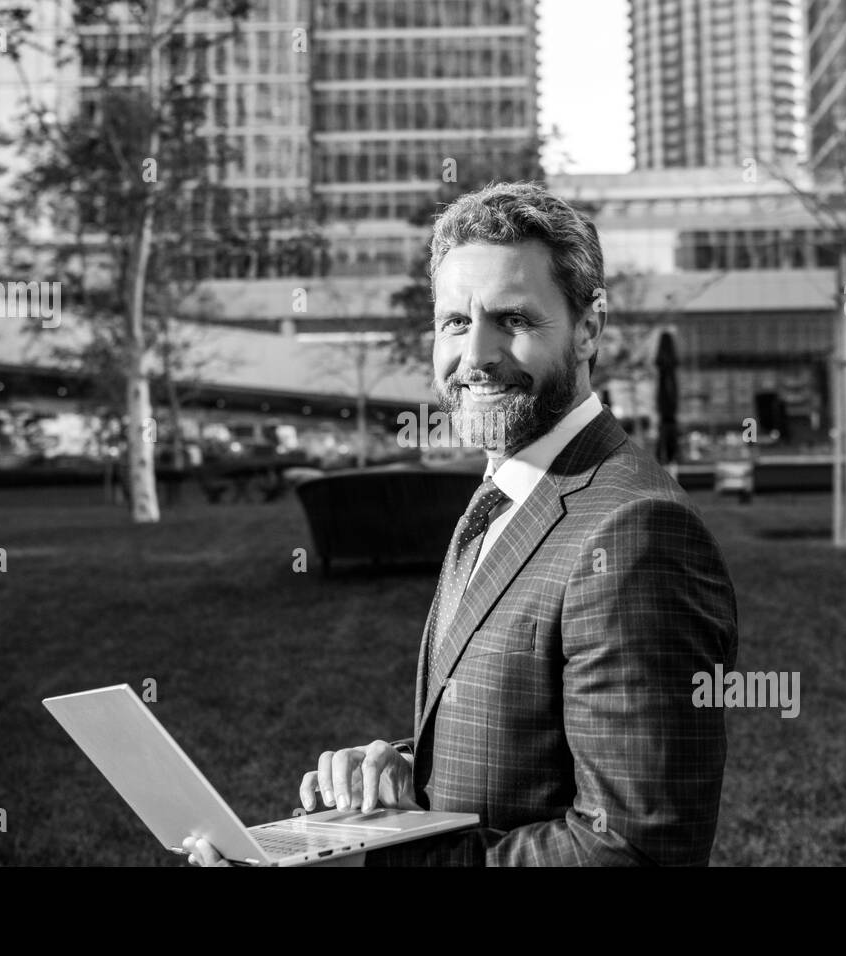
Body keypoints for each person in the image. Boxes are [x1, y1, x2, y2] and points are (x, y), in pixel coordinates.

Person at [186, 181, 739, 867]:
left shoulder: (637, 532)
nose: (475, 355)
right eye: (454, 322)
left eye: (512, 319)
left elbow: (633, 849)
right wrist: (401, 775)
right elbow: (522, 740)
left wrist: (375, 861)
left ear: (590, 327)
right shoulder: (500, 497)